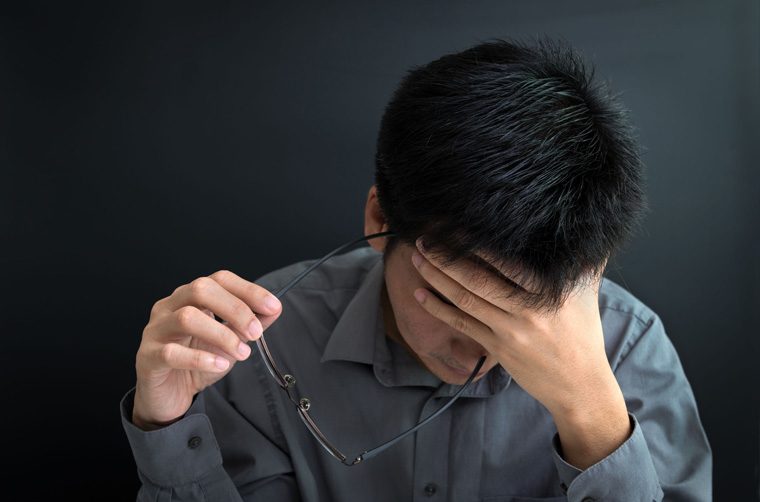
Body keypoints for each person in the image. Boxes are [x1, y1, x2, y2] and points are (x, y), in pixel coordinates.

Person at [120, 37, 712, 501]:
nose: (482, 344)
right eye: (453, 300)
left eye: (523, 311)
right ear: (380, 218)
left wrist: (591, 414)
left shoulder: (631, 349)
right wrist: (168, 426)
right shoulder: (256, 343)